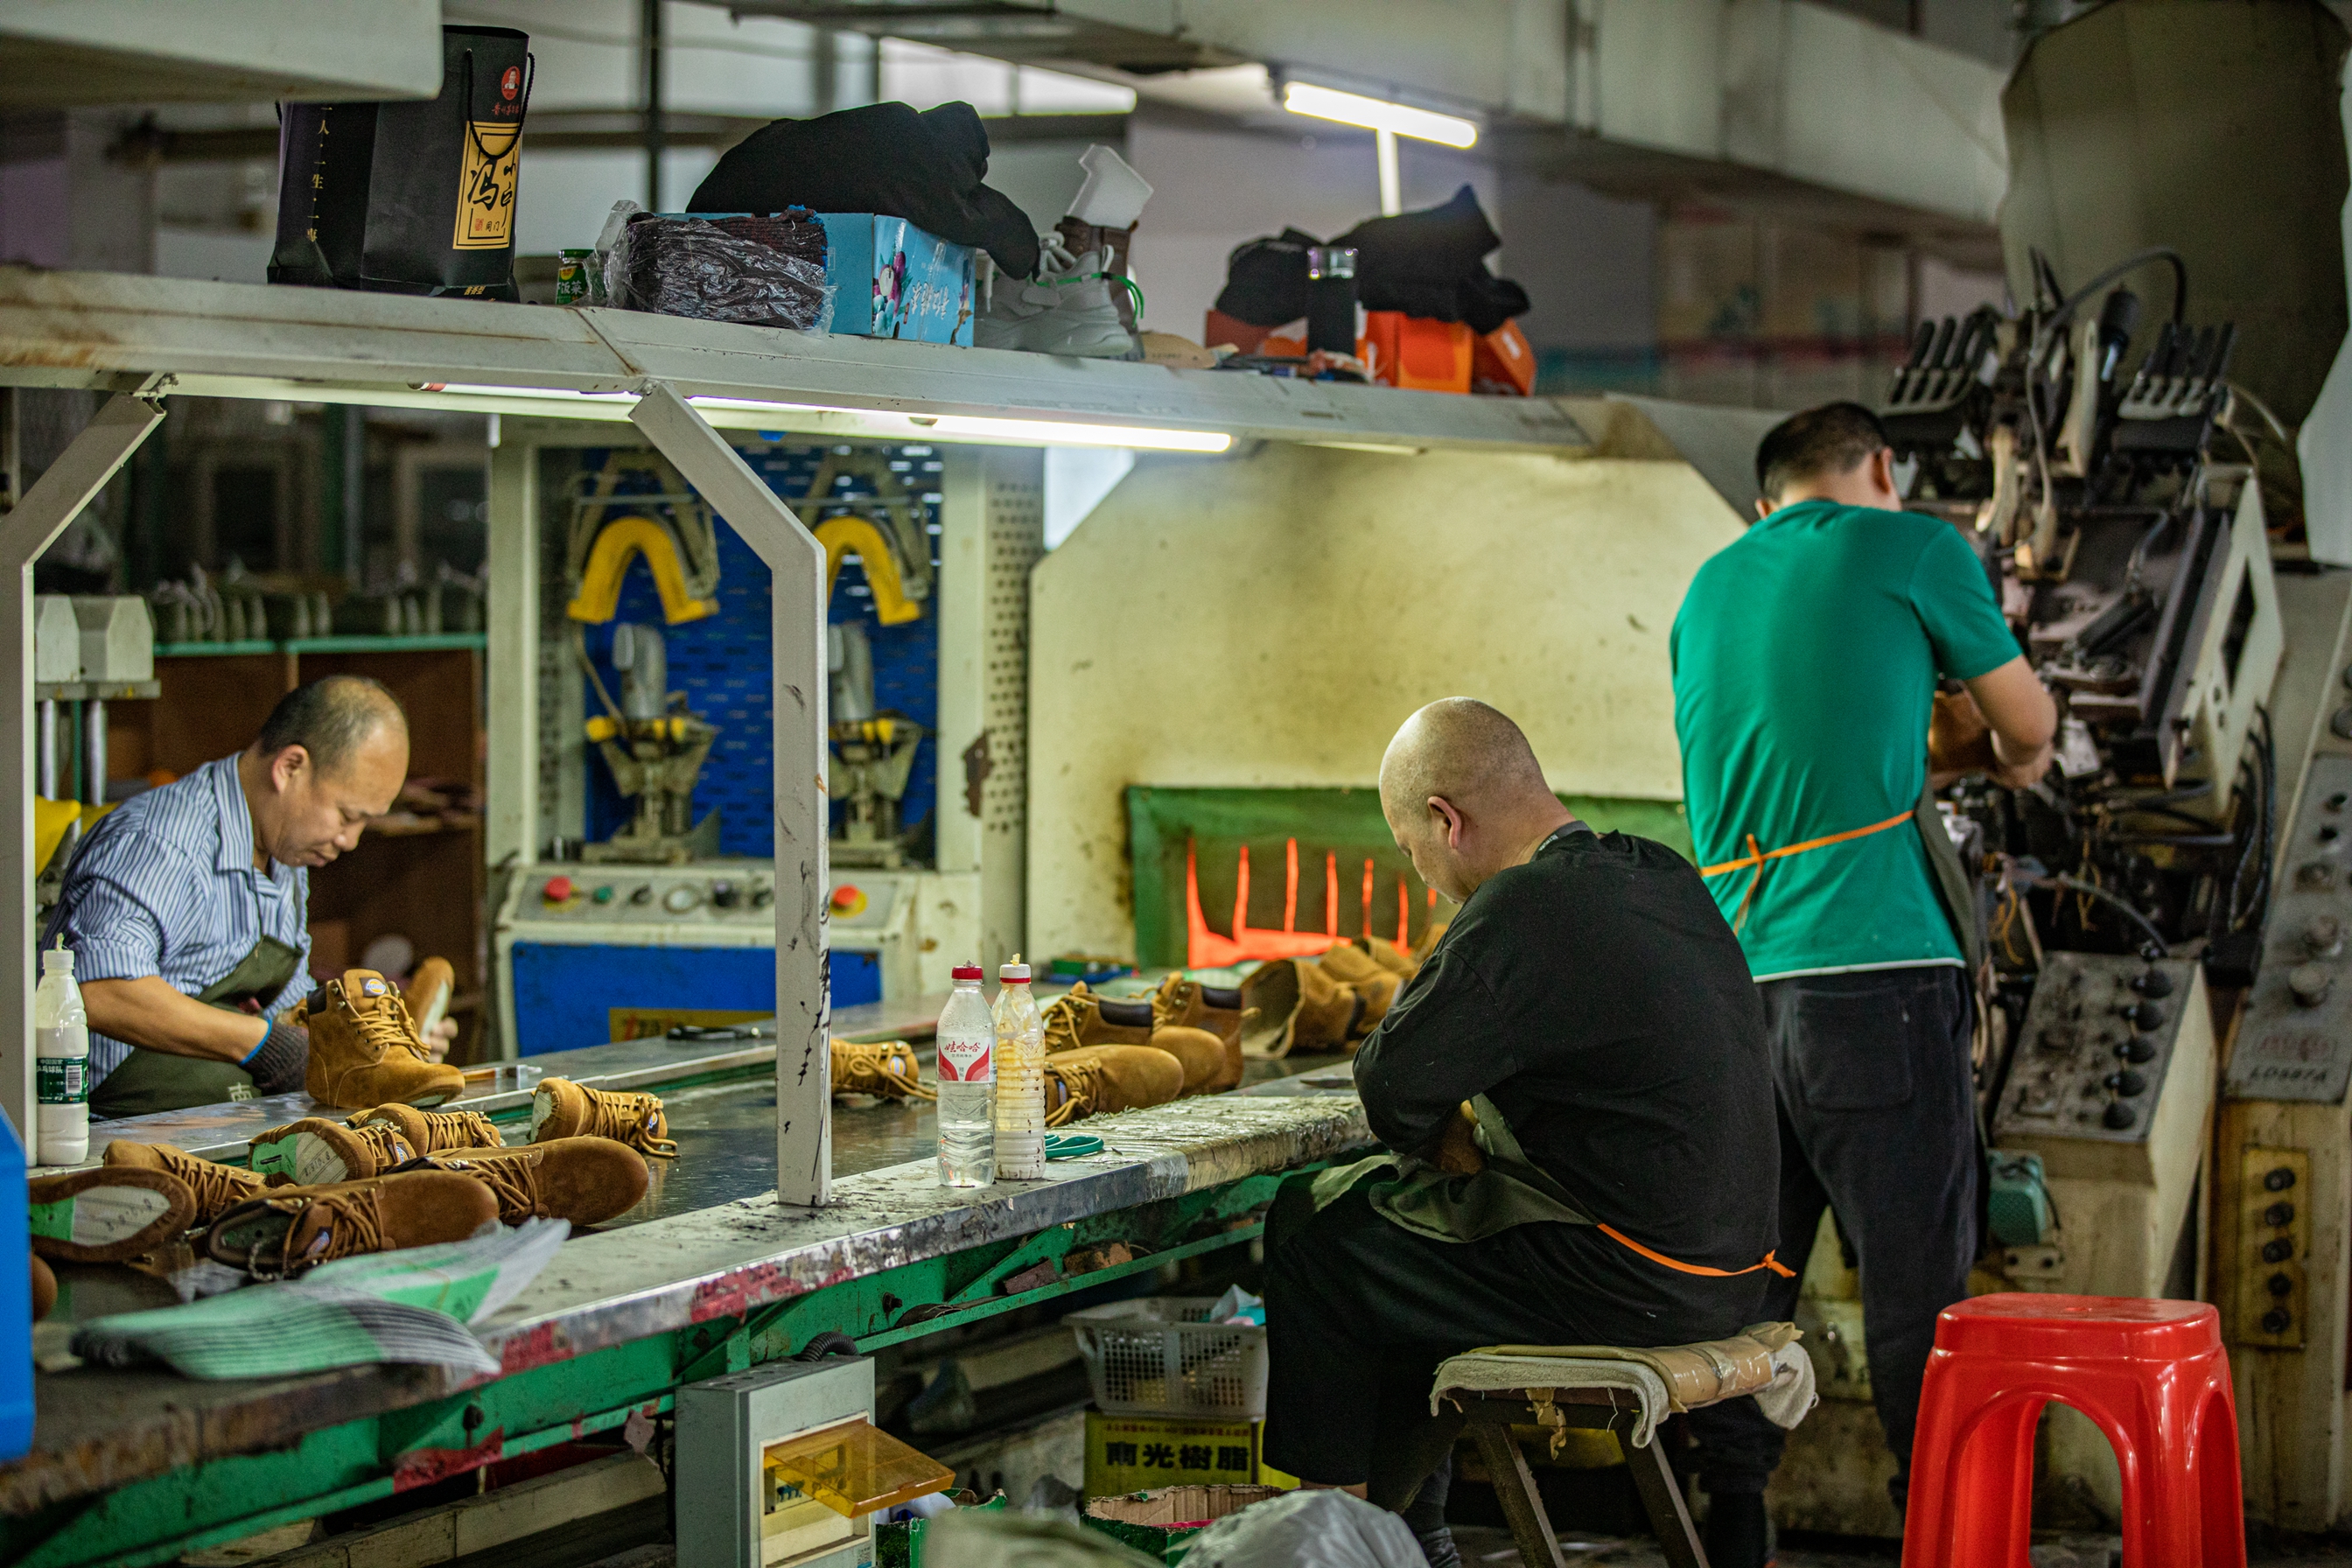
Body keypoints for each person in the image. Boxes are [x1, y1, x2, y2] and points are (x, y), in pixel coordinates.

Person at [1261, 698, 1783, 1568]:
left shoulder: (1524, 905)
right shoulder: (1657, 871)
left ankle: (1337, 1547)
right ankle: (1413, 1533)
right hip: (1733, 1276)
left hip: (1631, 1278)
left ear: (1447, 820)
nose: (1426, 878)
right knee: (1410, 1245)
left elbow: (1392, 1086)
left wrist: (1454, 1151)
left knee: (1316, 1228)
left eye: (1413, 851)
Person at [1672, 402, 2055, 1564]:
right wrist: (2017, 753)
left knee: (1749, 1285)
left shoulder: (1707, 588)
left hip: (1734, 992)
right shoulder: (1917, 545)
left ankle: (1735, 1526)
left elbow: (1811, 734)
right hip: (1877, 978)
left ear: (1768, 503)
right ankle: (1943, 1537)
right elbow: (2028, 722)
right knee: (1914, 1290)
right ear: (1883, 467)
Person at [45, 676, 455, 1119]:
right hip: (115, 1130)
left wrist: (375, 1048)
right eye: (346, 816)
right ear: (290, 767)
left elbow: (287, 1009)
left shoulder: (284, 850)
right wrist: (262, 1043)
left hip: (218, 1121)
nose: (350, 841)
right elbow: (101, 989)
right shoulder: (160, 841)